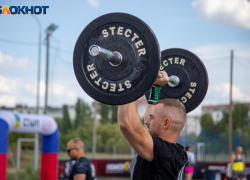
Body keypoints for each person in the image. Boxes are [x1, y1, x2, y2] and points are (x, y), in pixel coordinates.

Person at [118, 71, 188, 180]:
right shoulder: (175, 153)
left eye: (152, 118)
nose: (146, 121)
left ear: (166, 123)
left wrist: (127, 81)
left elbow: (128, 125)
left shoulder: (164, 153)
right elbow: (145, 130)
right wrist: (156, 88)